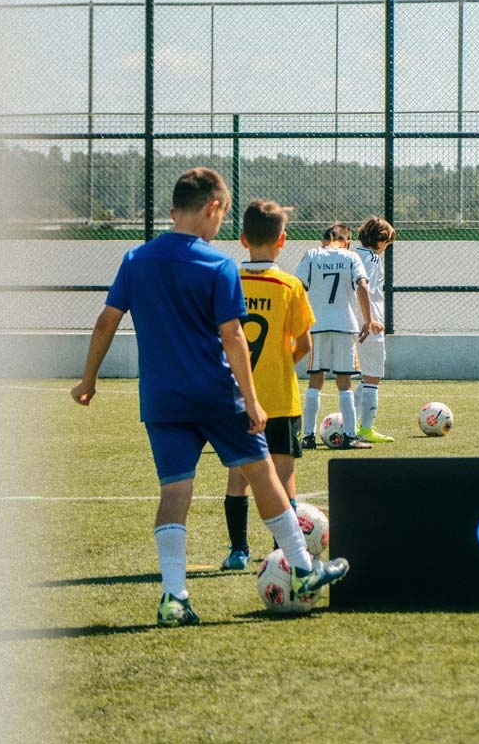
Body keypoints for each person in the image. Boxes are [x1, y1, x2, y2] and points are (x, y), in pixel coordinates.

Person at [71, 168, 348, 627]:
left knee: (174, 491)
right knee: (263, 475)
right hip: (217, 395)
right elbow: (233, 336)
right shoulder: (218, 265)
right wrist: (253, 400)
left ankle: (174, 598)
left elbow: (106, 321)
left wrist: (88, 380)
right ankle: (302, 569)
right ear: (213, 208)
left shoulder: (136, 259)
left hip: (162, 400)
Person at [220, 199, 315, 571]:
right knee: (284, 479)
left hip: (238, 399)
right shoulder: (290, 286)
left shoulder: (227, 280)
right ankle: (281, 553)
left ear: (242, 239)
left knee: (238, 477)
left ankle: (238, 551)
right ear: (283, 240)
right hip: (280, 398)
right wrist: (280, 365)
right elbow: (305, 344)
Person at [294, 222, 375, 450]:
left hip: (317, 325)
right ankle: (350, 436)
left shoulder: (312, 254)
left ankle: (307, 437)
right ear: (347, 241)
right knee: (344, 382)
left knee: (315, 380)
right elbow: (362, 286)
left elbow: (297, 286)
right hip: (345, 326)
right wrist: (368, 320)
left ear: (324, 240)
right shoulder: (351, 257)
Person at [352, 216, 397, 443]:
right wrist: (371, 320)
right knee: (372, 377)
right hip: (369, 325)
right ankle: (365, 429)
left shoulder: (351, 255)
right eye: (387, 242)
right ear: (379, 241)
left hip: (351, 323)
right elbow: (364, 288)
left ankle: (347, 422)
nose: (386, 247)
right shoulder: (371, 258)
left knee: (365, 376)